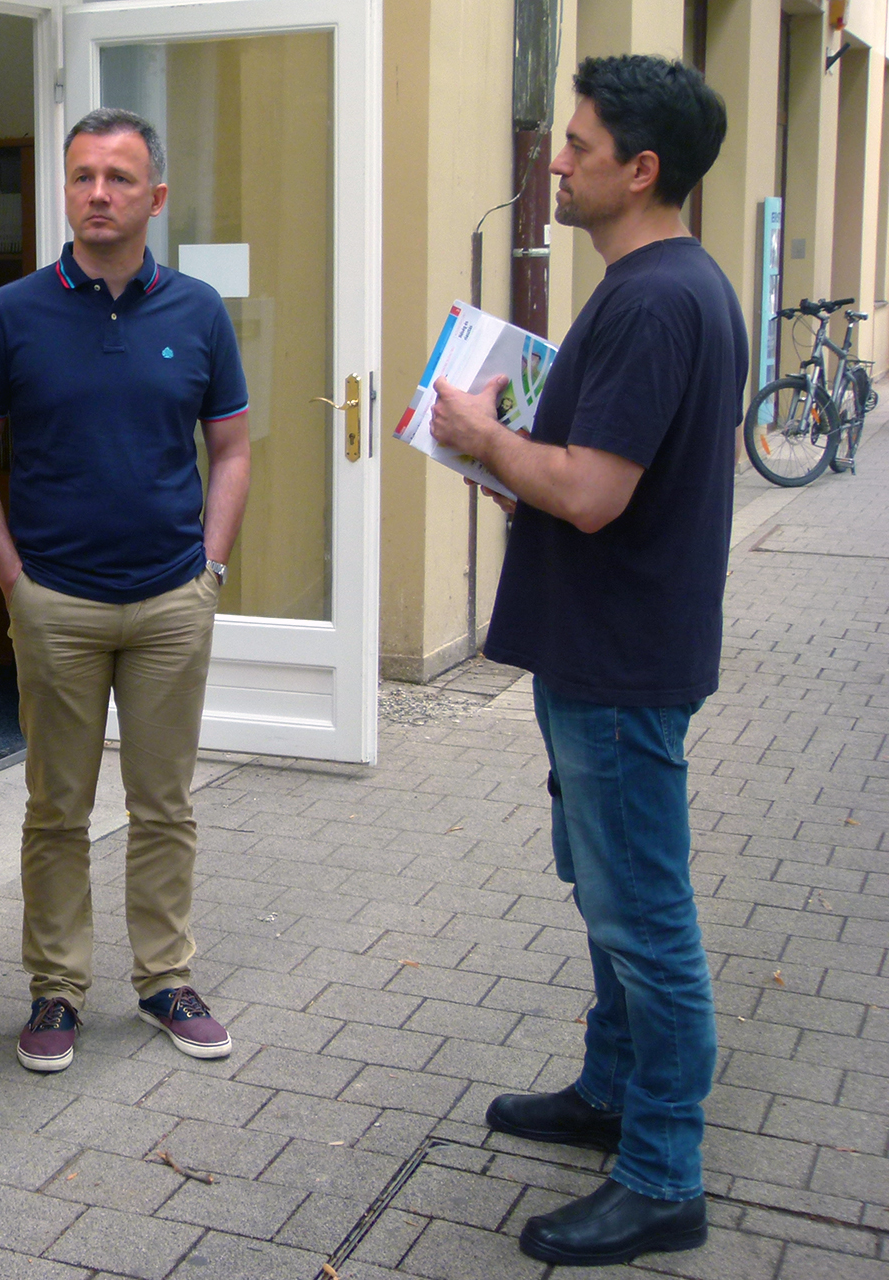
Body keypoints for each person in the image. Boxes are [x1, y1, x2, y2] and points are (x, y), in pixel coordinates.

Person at [429, 55, 742, 1268]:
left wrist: (483, 434)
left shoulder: (657, 299)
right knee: (609, 893)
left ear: (640, 169)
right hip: (610, 647)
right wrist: (519, 455)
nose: (555, 160)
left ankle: (663, 1173)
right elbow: (616, 471)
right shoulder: (662, 287)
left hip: (619, 659)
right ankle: (611, 1089)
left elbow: (597, 492)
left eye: (577, 144)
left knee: (644, 915)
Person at [0, 109, 252, 1075]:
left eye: (119, 178)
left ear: (154, 196)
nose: (98, 194)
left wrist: (209, 569)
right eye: (82, 176)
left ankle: (165, 979)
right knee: (56, 811)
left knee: (165, 807)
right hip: (58, 605)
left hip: (170, 603)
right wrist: (13, 582)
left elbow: (232, 449)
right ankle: (57, 988)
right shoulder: (14, 314)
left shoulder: (198, 312)